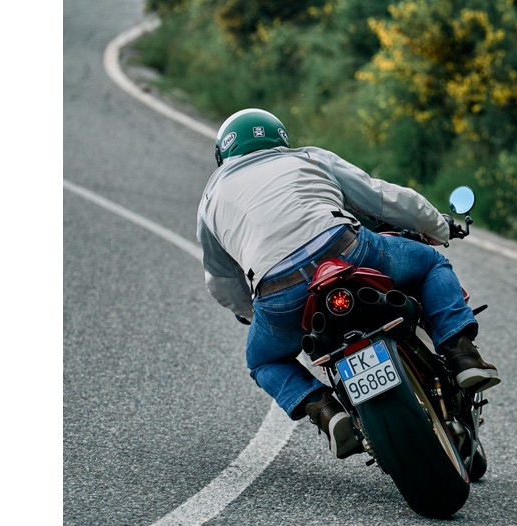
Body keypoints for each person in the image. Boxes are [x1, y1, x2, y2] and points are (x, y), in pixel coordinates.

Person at [196, 108, 499, 459]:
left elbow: (222, 280)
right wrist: (440, 227)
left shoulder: (210, 199)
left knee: (263, 361)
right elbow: (382, 198)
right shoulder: (308, 157)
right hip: (343, 249)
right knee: (431, 264)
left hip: (277, 287)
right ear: (280, 140)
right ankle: (461, 355)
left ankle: (326, 411)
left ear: (223, 155)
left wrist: (252, 312)